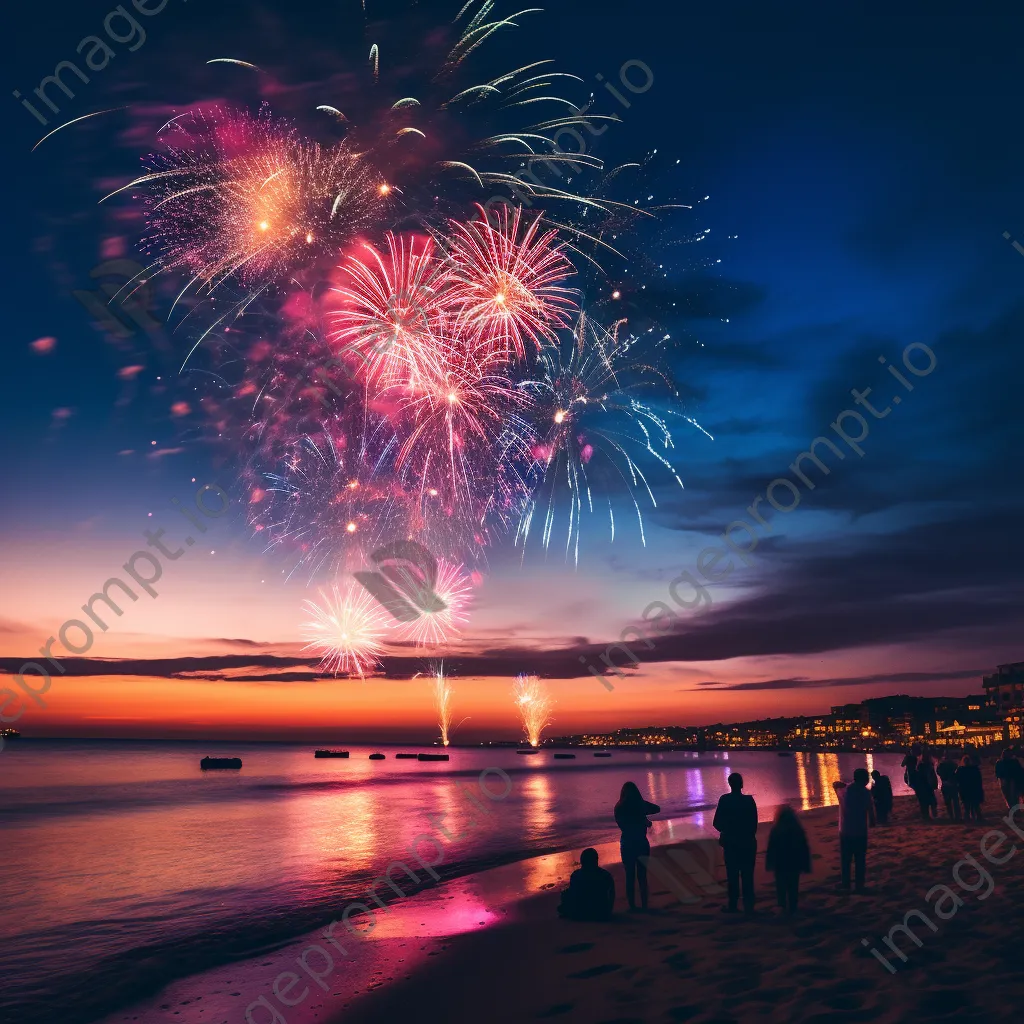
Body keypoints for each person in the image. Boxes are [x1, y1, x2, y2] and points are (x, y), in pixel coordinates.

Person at [712, 772, 758, 915]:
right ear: (741, 784)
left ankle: (733, 906)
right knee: (747, 875)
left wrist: (727, 830)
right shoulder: (749, 801)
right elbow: (754, 824)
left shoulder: (724, 800)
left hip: (731, 843)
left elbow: (716, 823)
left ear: (730, 784)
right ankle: (748, 907)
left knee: (732, 875)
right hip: (748, 843)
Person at [613, 781, 660, 911]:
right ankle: (644, 904)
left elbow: (621, 823)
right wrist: (642, 811)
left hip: (627, 842)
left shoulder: (618, 807)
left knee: (629, 875)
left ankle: (632, 905)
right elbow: (657, 808)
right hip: (641, 841)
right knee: (642, 875)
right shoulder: (640, 805)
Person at [765, 804, 811, 916]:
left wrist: (769, 863)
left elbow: (771, 848)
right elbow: (804, 847)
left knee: (780, 886)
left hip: (780, 863)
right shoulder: (797, 830)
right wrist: (806, 864)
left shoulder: (776, 830)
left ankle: (782, 906)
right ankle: (792, 907)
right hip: (794, 862)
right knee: (793, 886)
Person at [835, 768, 875, 892]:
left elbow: (835, 784)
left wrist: (846, 784)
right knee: (860, 859)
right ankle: (859, 884)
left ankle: (846, 883)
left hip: (845, 830)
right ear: (863, 779)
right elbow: (871, 811)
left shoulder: (845, 791)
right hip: (860, 831)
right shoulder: (865, 793)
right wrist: (872, 822)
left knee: (846, 860)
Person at [558, 848, 616, 921]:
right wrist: (608, 911)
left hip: (580, 913)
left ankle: (567, 910)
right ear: (596, 860)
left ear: (582, 861)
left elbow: (573, 893)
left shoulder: (575, 875)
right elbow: (612, 893)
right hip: (600, 912)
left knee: (565, 893)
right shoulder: (605, 875)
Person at [956, 755, 984, 822]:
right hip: (968, 789)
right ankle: (972, 817)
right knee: (970, 805)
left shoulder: (963, 770)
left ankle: (973, 817)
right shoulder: (971, 769)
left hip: (969, 789)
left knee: (972, 805)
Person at [936, 752, 962, 821]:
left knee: (948, 802)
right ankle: (957, 816)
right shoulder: (952, 764)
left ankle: (951, 816)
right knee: (955, 801)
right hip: (952, 784)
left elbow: (938, 772)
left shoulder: (941, 765)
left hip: (945, 784)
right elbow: (956, 766)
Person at [913, 754, 939, 820]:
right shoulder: (929, 766)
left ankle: (926, 816)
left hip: (922, 787)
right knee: (931, 801)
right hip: (928, 786)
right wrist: (935, 785)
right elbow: (933, 776)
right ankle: (932, 814)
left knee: (924, 802)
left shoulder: (919, 766)